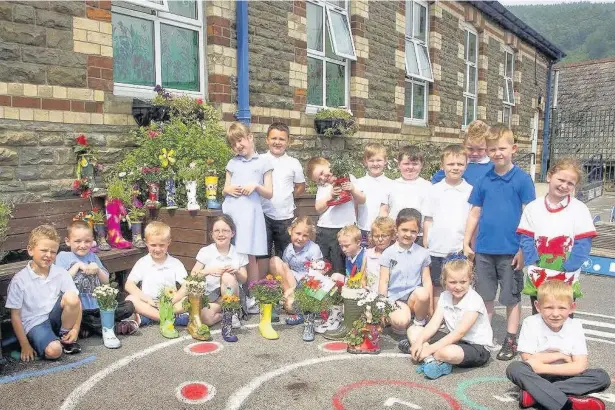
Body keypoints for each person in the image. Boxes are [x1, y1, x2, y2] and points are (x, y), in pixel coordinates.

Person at [463, 123, 536, 361]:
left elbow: (529, 215)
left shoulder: (523, 180)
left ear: (513, 148)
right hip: (484, 249)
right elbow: (474, 213)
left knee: (511, 298)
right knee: (485, 297)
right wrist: (467, 243)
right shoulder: (484, 180)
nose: (497, 153)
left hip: (510, 250)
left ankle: (511, 339)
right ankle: (483, 336)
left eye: (502, 148)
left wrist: (524, 249)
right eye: (492, 149)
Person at [506, 281, 610, 410]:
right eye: (549, 307)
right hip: (538, 376)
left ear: (572, 307)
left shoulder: (575, 325)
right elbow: (529, 360)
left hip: (563, 376)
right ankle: (567, 404)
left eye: (562, 308)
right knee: (514, 368)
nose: (555, 314)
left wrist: (541, 364)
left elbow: (580, 365)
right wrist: (560, 355)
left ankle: (534, 396)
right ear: (537, 306)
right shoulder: (531, 323)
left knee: (602, 377)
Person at [517, 158, 597, 314]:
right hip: (539, 272)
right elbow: (526, 237)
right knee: (539, 313)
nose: (564, 185)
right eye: (561, 179)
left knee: (563, 315)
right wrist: (533, 262)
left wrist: (568, 268)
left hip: (566, 275)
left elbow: (583, 243)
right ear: (549, 176)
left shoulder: (579, 209)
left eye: (570, 183)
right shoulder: (533, 207)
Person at [400, 255, 493, 380]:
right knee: (414, 329)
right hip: (455, 342)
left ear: (470, 280)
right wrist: (419, 341)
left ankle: (431, 357)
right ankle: (431, 358)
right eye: (453, 282)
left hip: (477, 347)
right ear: (444, 281)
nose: (458, 286)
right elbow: (433, 324)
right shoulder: (445, 296)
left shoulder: (474, 300)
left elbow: (459, 333)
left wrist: (429, 348)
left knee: (446, 352)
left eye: (463, 282)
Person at [55, 220, 137, 349]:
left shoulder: (93, 257)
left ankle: (90, 329)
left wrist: (98, 270)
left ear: (92, 241)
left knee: (128, 307)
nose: (82, 245)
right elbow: (59, 282)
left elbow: (105, 281)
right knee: (90, 320)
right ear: (67, 241)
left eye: (87, 241)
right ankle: (114, 327)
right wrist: (77, 266)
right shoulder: (63, 257)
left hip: (98, 307)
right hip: (80, 311)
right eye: (77, 241)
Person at [6, 225, 82, 361]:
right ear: (30, 250)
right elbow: (15, 315)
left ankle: (65, 337)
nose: (48, 255)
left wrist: (75, 329)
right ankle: (49, 343)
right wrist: (25, 345)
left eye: (53, 252)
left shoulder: (61, 273)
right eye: (43, 250)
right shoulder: (19, 280)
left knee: (72, 297)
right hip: (35, 323)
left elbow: (77, 302)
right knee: (54, 351)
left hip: (55, 317)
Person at [222, 122, 273, 314]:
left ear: (250, 137)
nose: (237, 146)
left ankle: (251, 296)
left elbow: (269, 193)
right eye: (233, 144)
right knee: (232, 251)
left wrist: (256, 186)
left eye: (240, 140)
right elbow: (225, 188)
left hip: (250, 213)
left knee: (250, 255)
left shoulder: (263, 163)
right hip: (232, 211)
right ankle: (231, 294)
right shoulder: (232, 162)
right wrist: (229, 189)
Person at [423, 145, 472, 308]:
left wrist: (469, 246)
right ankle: (438, 316)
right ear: (442, 165)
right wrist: (426, 241)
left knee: (458, 285)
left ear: (466, 165)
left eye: (460, 164)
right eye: (451, 164)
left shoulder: (470, 191)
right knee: (438, 285)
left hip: (458, 248)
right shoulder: (433, 190)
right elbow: (428, 218)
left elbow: (473, 220)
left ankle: (457, 315)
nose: (455, 167)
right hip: (436, 247)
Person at [258, 122, 306, 276]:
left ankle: (284, 285)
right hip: (262, 214)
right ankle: (261, 286)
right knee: (262, 252)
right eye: (273, 138)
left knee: (284, 253)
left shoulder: (293, 163)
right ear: (267, 140)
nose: (277, 142)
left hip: (285, 216)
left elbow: (300, 186)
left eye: (281, 139)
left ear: (288, 141)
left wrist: (286, 197)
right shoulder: (259, 160)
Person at [191, 214, 248, 341]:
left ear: (232, 233)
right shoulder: (205, 252)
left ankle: (232, 313)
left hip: (233, 294)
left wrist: (237, 272)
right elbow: (193, 275)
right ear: (211, 234)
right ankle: (227, 314)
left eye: (225, 230)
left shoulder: (239, 252)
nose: (220, 234)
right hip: (213, 297)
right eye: (217, 230)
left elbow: (244, 279)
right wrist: (208, 271)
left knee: (227, 276)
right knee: (206, 318)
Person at [306, 156, 365, 273]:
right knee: (326, 262)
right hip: (326, 229)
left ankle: (342, 285)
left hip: (346, 228)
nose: (323, 178)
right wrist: (330, 196)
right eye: (319, 179)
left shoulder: (348, 178)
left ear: (328, 164)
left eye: (322, 172)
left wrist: (352, 189)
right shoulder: (323, 187)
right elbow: (318, 208)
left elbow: (362, 200)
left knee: (342, 262)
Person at [125, 221, 189, 327]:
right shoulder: (143, 262)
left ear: (169, 242)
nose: (157, 249)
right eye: (153, 245)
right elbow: (129, 285)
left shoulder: (175, 263)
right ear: (146, 243)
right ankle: (170, 318)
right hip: (149, 303)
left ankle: (150, 318)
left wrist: (173, 300)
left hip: (171, 303)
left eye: (162, 245)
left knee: (191, 299)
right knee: (130, 299)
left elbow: (186, 285)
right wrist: (146, 299)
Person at [379, 208, 432, 334]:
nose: (408, 234)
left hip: (414, 298)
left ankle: (419, 323)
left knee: (423, 294)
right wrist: (382, 305)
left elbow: (426, 280)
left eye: (413, 231)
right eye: (404, 230)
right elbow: (384, 281)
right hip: (395, 299)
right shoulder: (388, 253)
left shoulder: (423, 253)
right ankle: (398, 318)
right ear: (396, 229)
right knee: (401, 323)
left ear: (418, 232)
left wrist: (430, 308)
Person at [269, 216, 322, 325]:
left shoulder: (314, 248)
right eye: (298, 233)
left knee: (291, 305)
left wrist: (295, 289)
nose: (300, 238)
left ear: (309, 236)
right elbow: (284, 270)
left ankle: (296, 303)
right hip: (292, 282)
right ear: (290, 231)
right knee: (275, 260)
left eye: (305, 235)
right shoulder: (289, 248)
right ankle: (289, 299)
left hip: (306, 286)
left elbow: (317, 275)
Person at [385, 145, 432, 246]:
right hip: (395, 236)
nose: (410, 167)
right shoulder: (391, 185)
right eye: (406, 163)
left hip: (418, 237)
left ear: (421, 165)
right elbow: (384, 211)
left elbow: (429, 217)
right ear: (399, 164)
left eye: (415, 164)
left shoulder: (428, 186)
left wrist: (426, 239)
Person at [431, 120, 493, 186]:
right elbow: (437, 181)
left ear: (488, 147)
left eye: (480, 149)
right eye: (470, 149)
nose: (475, 153)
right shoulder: (456, 164)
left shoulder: (494, 168)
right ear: (463, 145)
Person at [355, 143, 393, 246]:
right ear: (365, 162)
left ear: (385, 161)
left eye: (379, 160)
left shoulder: (391, 184)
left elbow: (387, 210)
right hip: (362, 228)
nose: (375, 164)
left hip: (381, 232)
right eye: (371, 160)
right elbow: (355, 208)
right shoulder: (358, 183)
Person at [364, 216, 395, 293]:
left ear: (392, 236)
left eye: (384, 236)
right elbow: (363, 277)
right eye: (376, 236)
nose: (380, 239)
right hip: (370, 295)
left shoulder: (395, 255)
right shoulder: (368, 253)